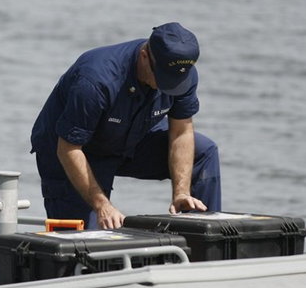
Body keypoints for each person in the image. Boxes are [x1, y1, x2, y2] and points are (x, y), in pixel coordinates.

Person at [30, 22, 221, 229]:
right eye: (164, 79)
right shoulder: (96, 80)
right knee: (87, 240)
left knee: (203, 152)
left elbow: (182, 132)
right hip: (73, 150)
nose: (169, 86)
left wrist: (181, 192)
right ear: (144, 56)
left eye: (176, 80)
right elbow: (68, 148)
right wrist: (103, 205)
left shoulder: (183, 75)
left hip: (131, 135)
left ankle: (207, 244)